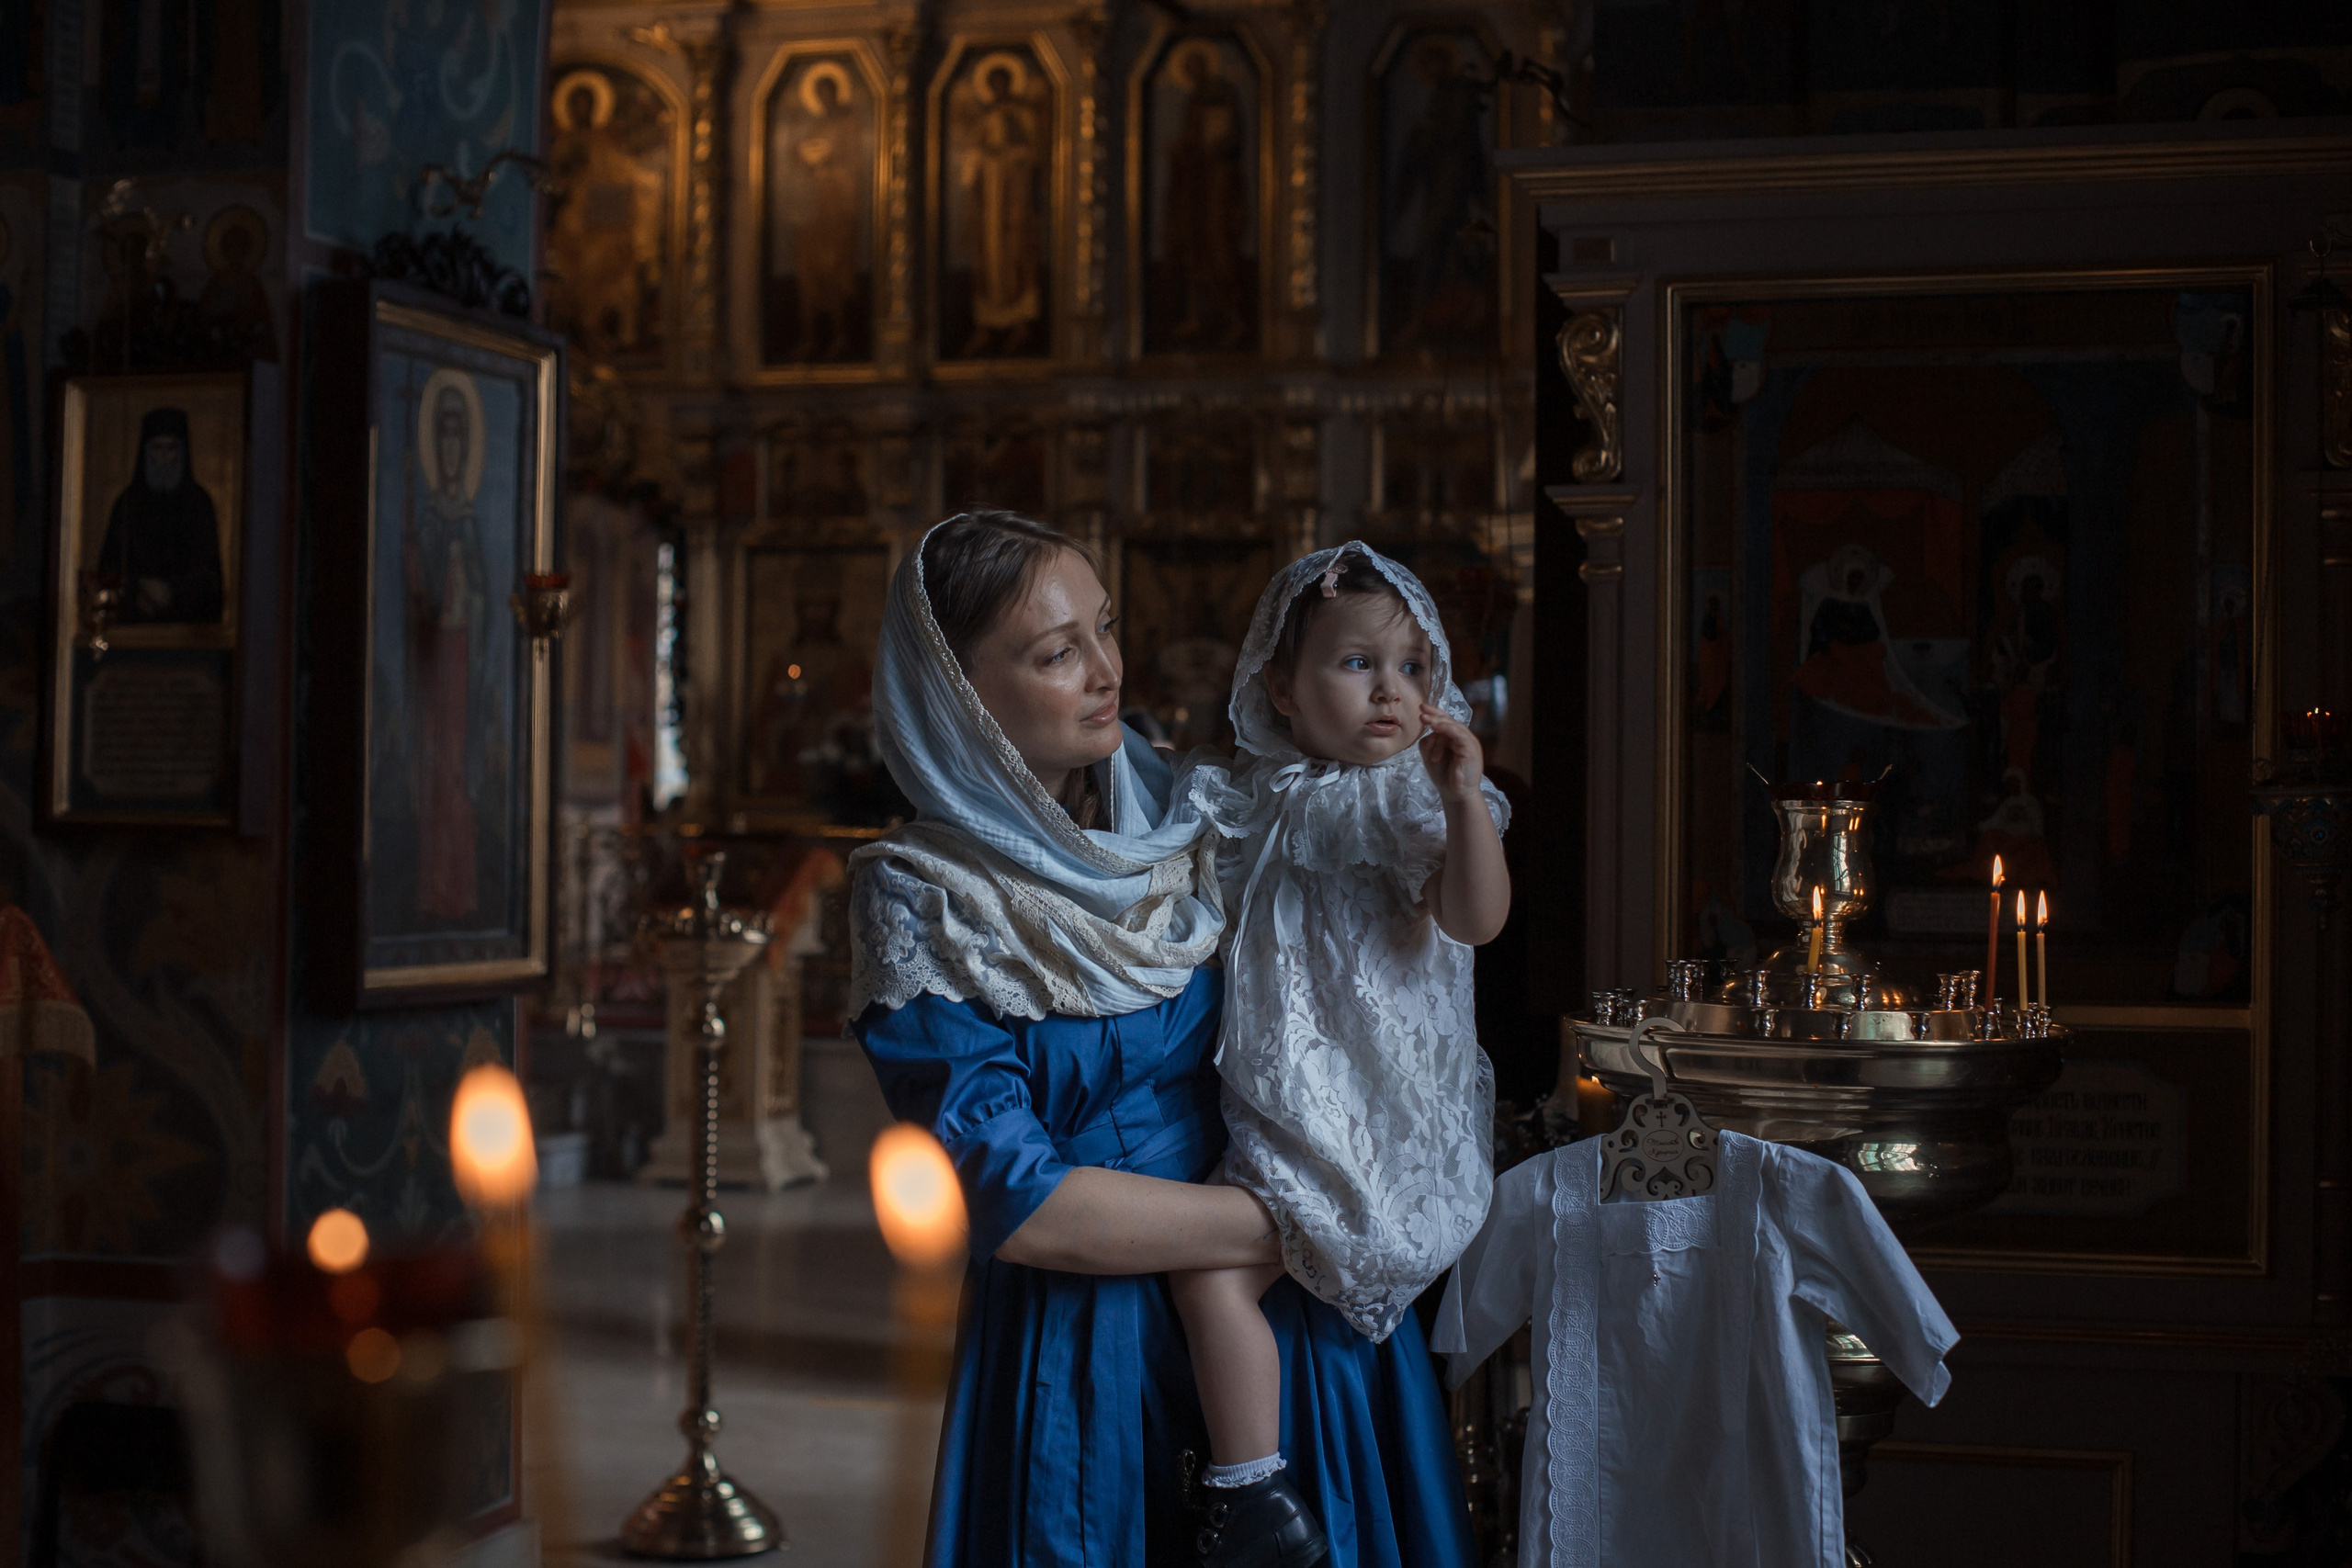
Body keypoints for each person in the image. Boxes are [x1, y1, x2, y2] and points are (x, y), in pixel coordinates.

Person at [849, 513, 1476, 1568]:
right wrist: (1318, 1223)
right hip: (1092, 1341)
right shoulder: (922, 900)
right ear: (957, 694)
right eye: (1057, 653)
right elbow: (1018, 1201)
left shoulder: (1199, 807)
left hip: (1293, 1322)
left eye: (1104, 627)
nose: (1106, 671)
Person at [1170, 544, 1510, 1561]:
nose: (1390, 692)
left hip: (1376, 1120)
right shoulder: (1246, 797)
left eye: (1413, 667)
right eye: (1358, 663)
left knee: (1211, 1275)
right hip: (1285, 1100)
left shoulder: (1408, 800)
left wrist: (1463, 801)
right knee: (1213, 1269)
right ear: (1280, 686)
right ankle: (1260, 1495)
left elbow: (1476, 918)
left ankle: (1252, 1495)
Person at [96, 406, 226, 625]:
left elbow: (210, 576)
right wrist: (140, 586)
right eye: (157, 448)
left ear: (181, 452)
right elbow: (109, 568)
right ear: (146, 451)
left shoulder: (198, 503)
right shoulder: (128, 503)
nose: (164, 457)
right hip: (134, 624)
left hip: (188, 626)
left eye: (171, 448)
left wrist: (173, 592)